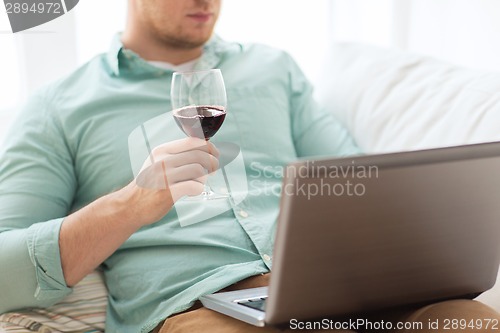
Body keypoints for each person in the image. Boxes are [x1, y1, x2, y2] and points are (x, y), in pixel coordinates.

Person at [0, 0, 499, 332]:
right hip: (199, 309)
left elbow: (358, 179)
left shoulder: (273, 68)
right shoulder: (58, 106)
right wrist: (131, 204)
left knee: (474, 322)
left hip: (342, 293)